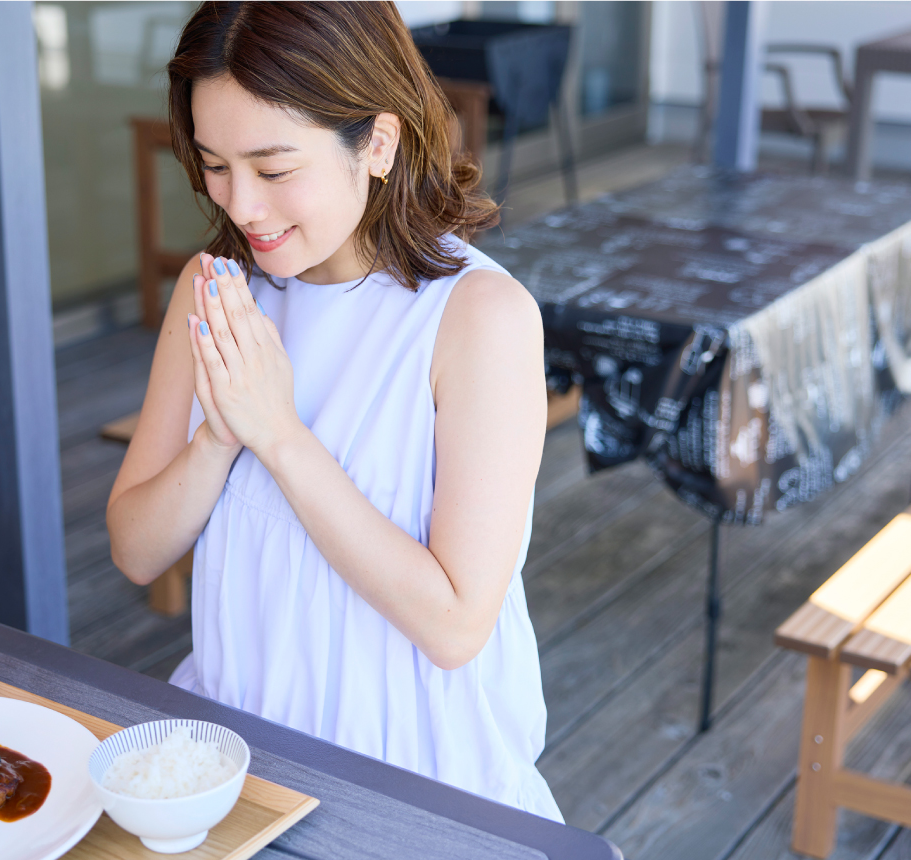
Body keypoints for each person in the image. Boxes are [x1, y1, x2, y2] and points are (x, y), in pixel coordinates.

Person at [106, 1, 560, 821]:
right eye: (214, 164)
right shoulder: (215, 289)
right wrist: (217, 436)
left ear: (377, 143)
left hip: (416, 785)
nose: (241, 205)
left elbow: (456, 625)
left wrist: (276, 434)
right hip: (231, 762)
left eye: (274, 169)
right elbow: (137, 550)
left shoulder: (477, 317)